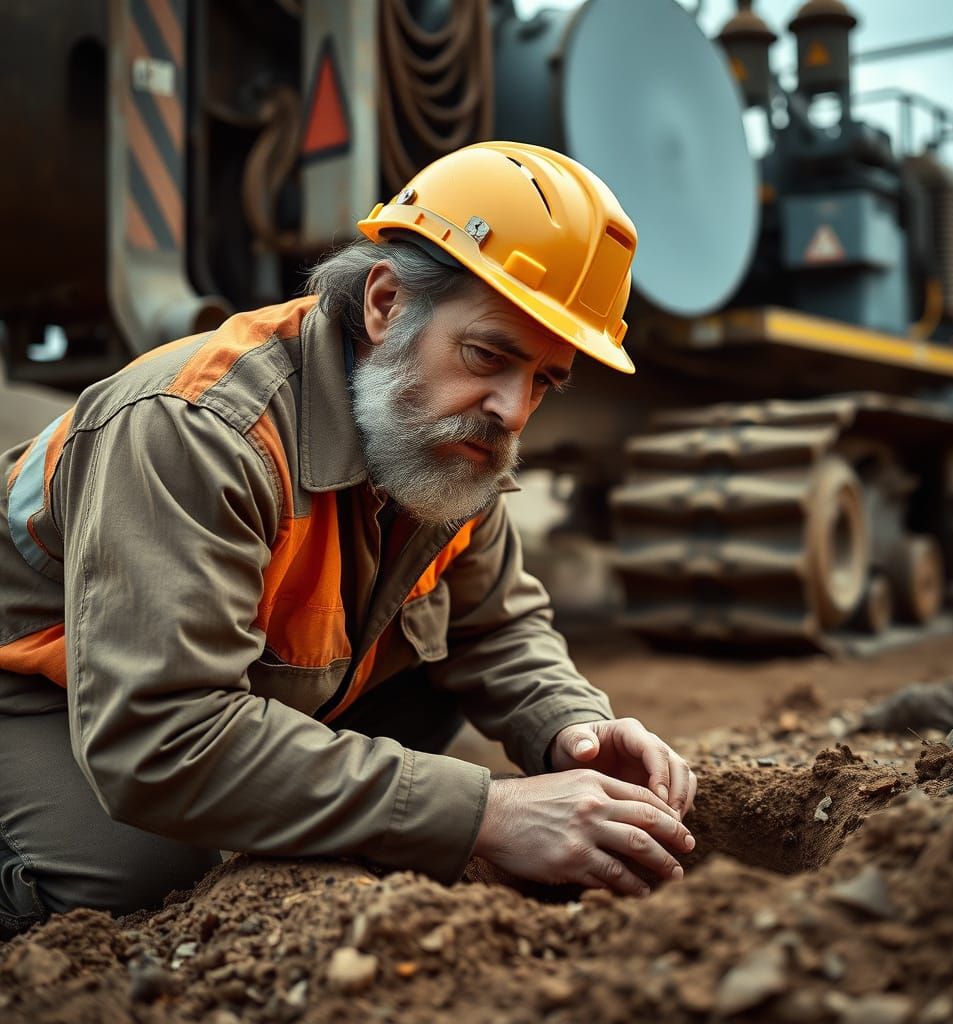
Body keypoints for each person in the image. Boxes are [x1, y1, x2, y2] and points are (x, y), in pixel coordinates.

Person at [0, 141, 696, 939]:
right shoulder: (201, 429)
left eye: (542, 378)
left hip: (215, 692)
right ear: (386, 303)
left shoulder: (446, 439)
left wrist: (571, 727)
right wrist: (486, 812)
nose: (512, 409)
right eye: (489, 354)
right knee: (132, 871)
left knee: (420, 716)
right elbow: (163, 737)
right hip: (34, 683)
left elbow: (497, 625)